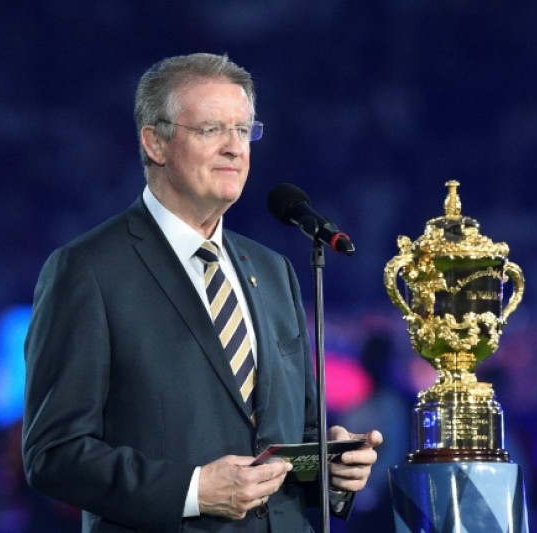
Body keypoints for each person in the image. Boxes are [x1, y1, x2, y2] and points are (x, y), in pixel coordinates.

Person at [22, 52, 382, 533]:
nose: (235, 148)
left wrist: (333, 467)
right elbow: (54, 454)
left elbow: (298, 435)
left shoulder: (274, 272)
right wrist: (192, 491)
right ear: (156, 142)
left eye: (244, 130)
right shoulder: (87, 271)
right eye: (211, 130)